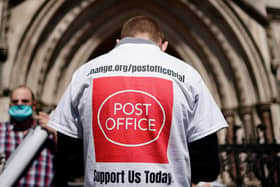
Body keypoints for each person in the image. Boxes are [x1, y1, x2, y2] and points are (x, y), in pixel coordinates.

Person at [48, 16, 228, 187]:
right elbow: (208, 165)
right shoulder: (187, 76)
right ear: (163, 46)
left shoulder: (84, 74)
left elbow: (68, 160)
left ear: (118, 43)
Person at [0, 85, 55, 186]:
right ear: (10, 105)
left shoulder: (47, 134)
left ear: (34, 105)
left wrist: (55, 131)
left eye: (24, 101)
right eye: (15, 102)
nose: (19, 104)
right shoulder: (1, 131)